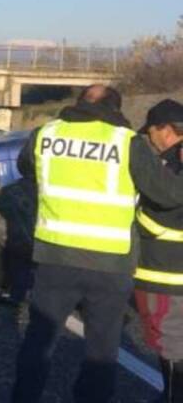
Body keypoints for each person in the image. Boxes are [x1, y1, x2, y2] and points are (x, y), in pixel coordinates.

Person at [11, 86, 183, 403]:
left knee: (39, 341)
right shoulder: (125, 142)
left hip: (55, 259)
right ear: (116, 110)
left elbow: (25, 169)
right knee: (101, 351)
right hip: (109, 266)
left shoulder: (45, 134)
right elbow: (168, 195)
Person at [134, 100, 183, 401]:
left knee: (173, 347)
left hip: (167, 274)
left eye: (151, 131)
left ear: (166, 130)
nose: (150, 139)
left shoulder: (169, 165)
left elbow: (158, 211)